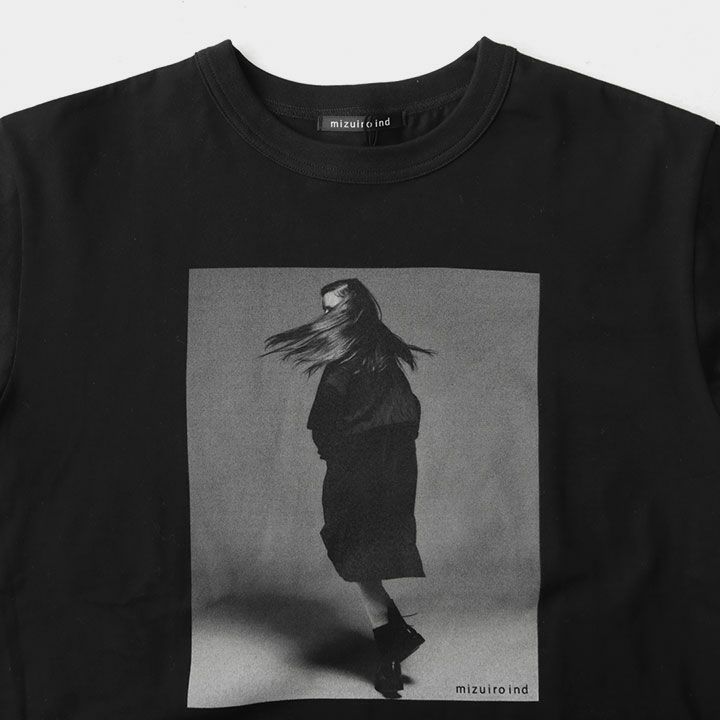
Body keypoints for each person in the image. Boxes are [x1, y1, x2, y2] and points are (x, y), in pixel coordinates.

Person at [262, 278, 435, 697]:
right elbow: (407, 413)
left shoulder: (352, 362)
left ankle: (391, 652)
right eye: (324, 310)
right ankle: (395, 639)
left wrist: (340, 456)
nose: (326, 316)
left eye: (332, 308)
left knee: (358, 555)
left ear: (354, 309)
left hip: (368, 469)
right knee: (361, 557)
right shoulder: (379, 357)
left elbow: (327, 420)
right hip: (388, 467)